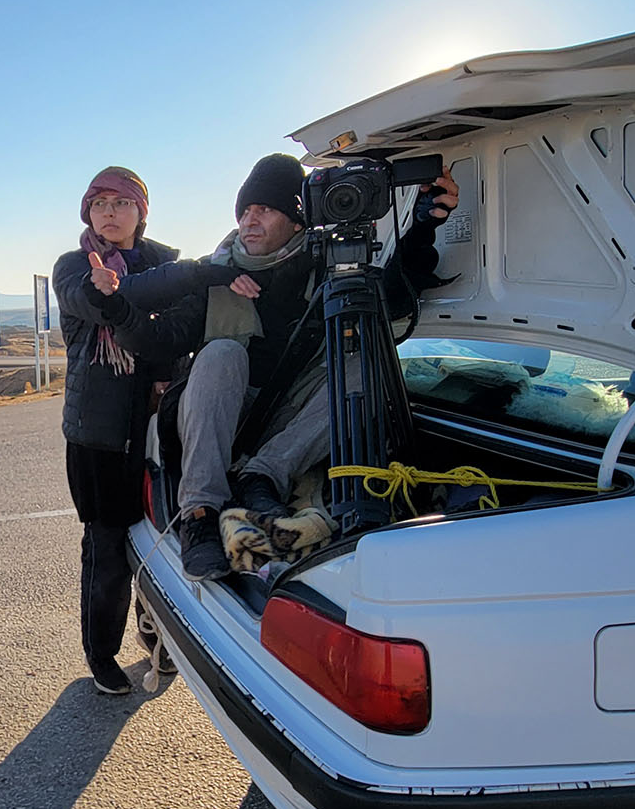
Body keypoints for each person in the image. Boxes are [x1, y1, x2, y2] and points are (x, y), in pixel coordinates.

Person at [84, 154, 456, 580]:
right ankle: (200, 514)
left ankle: (262, 478)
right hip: (221, 416)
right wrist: (113, 307)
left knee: (366, 362)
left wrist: (425, 224)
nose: (249, 220)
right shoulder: (217, 274)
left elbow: (393, 296)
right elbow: (158, 338)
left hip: (286, 421)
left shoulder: (330, 268)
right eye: (244, 211)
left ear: (297, 221)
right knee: (222, 353)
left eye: (264, 209)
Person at [51, 167, 248, 693]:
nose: (109, 213)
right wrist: (208, 271)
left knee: (161, 540)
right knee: (108, 545)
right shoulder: (74, 267)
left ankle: (155, 628)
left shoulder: (168, 263)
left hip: (164, 429)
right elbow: (109, 300)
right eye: (99, 204)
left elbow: (170, 337)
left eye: (121, 203)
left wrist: (211, 275)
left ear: (142, 210)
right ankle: (101, 652)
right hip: (99, 434)